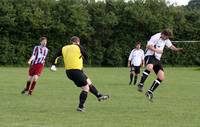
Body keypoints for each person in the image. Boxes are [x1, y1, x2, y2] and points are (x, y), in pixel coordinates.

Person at [50, 36, 109, 112]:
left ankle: (99, 95)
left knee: (88, 82)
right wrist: (83, 57)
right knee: (86, 88)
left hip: (69, 72)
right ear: (77, 42)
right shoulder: (78, 46)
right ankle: (80, 107)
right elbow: (86, 56)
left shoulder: (64, 48)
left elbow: (55, 56)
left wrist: (53, 65)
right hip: (76, 71)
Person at [137, 29, 183, 102]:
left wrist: (177, 49)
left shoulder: (166, 39)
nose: (168, 39)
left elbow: (171, 46)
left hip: (157, 59)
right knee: (149, 67)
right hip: (150, 55)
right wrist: (156, 50)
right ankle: (141, 84)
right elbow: (148, 46)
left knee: (161, 77)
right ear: (163, 35)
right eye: (167, 37)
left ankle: (149, 92)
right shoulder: (156, 37)